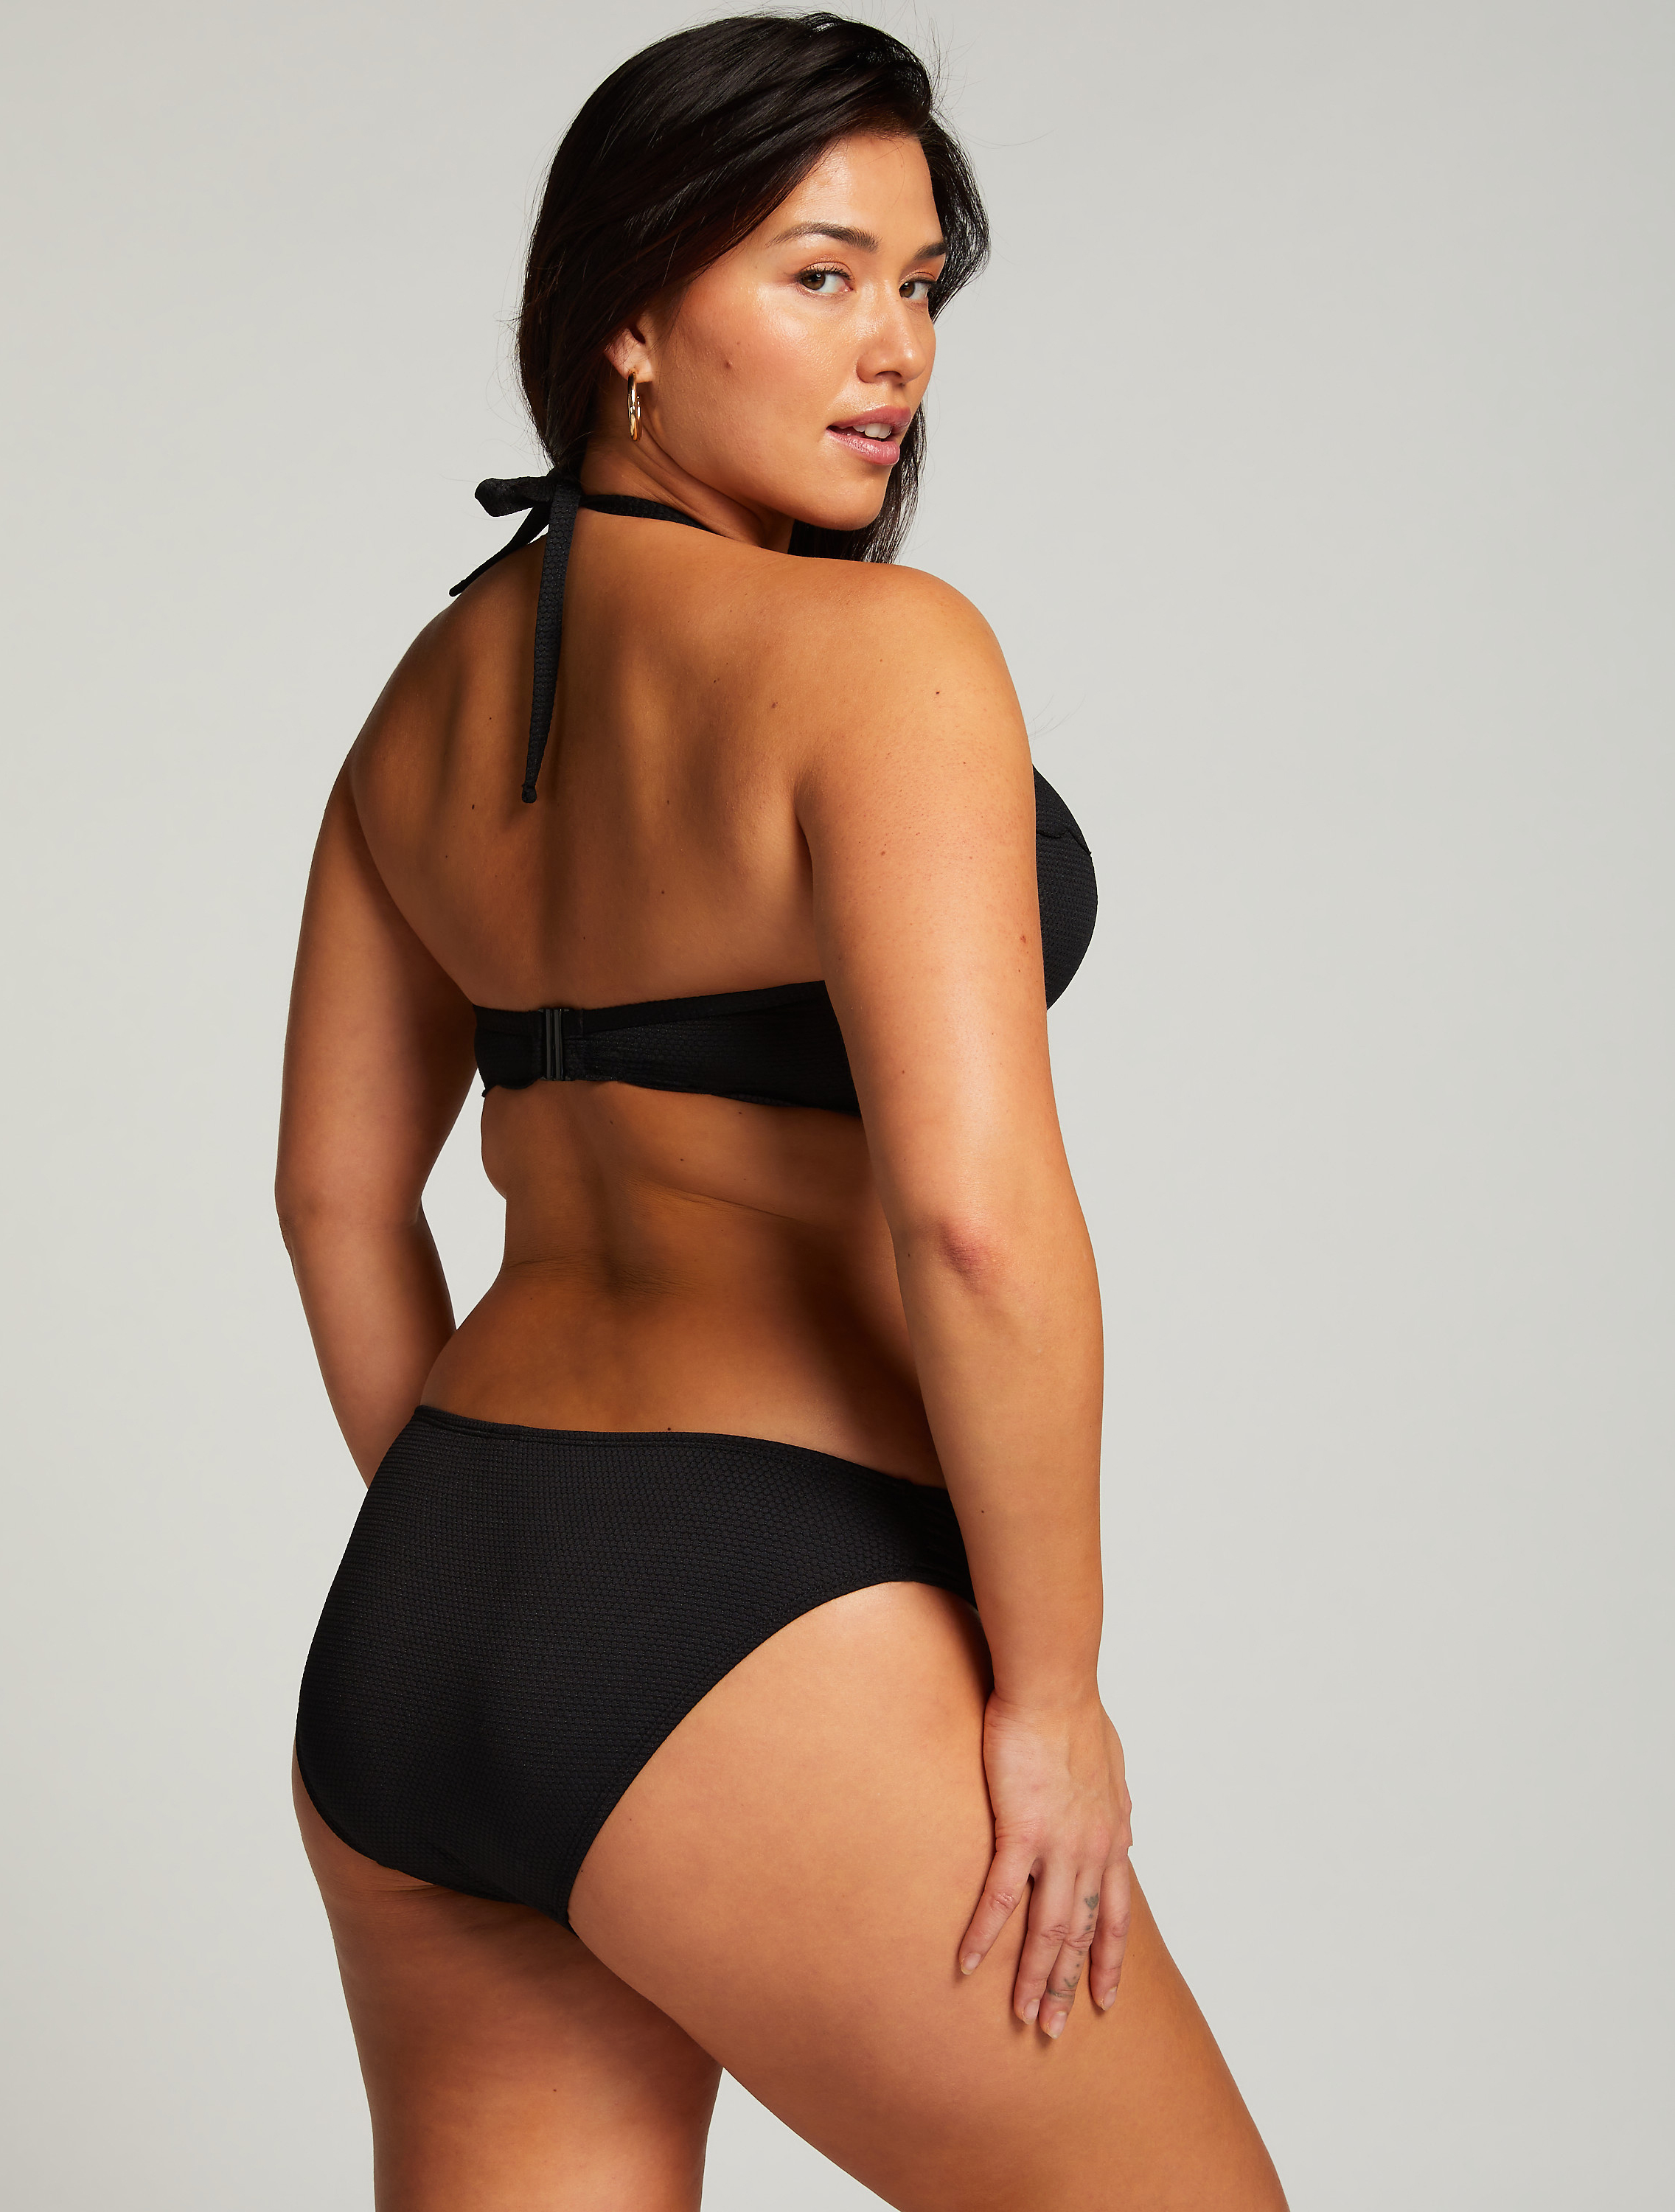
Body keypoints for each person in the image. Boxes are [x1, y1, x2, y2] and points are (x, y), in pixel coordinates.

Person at [276, 13, 1285, 2207]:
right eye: (817, 276)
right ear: (628, 317)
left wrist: (501, 1580)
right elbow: (974, 1224)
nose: (892, 348)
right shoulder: (883, 655)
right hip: (750, 1599)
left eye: (918, 285)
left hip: (431, 1599)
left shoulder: (415, 706)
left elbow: (337, 1201)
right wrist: (1050, 1697)